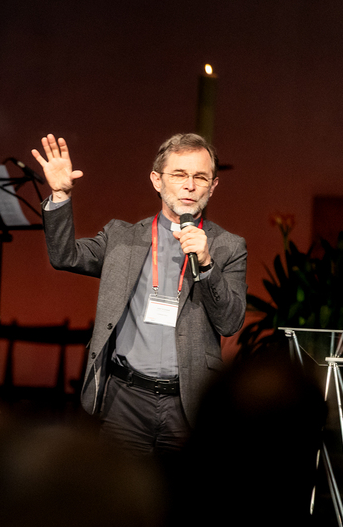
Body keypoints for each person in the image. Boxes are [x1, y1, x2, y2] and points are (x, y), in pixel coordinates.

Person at [31, 133, 247, 453]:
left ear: (212, 186)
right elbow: (64, 256)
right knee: (121, 486)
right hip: (124, 400)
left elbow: (230, 322)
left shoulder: (229, 247)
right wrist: (60, 195)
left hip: (188, 403)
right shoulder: (121, 238)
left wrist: (207, 265)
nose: (190, 185)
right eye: (179, 174)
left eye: (200, 177)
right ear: (157, 180)